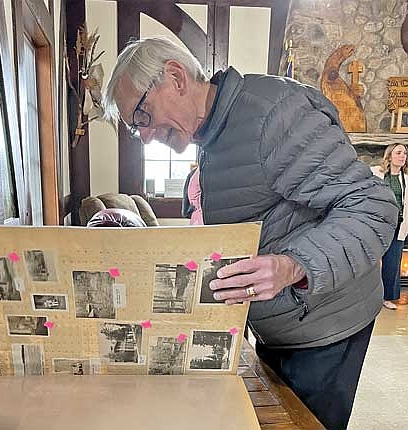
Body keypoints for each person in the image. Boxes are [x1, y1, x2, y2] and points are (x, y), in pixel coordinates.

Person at [102, 37, 397, 430]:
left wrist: (294, 266)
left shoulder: (274, 114)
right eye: (133, 128)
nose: (145, 136)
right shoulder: (211, 132)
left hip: (326, 322)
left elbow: (374, 206)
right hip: (278, 319)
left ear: (175, 77)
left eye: (141, 117)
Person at [372, 144, 408, 310]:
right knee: (369, 262)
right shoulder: (375, 173)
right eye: (399, 152)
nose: (402, 156)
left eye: (405, 153)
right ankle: (365, 297)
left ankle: (388, 297)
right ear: (390, 156)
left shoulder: (406, 178)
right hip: (377, 225)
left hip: (398, 225)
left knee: (393, 262)